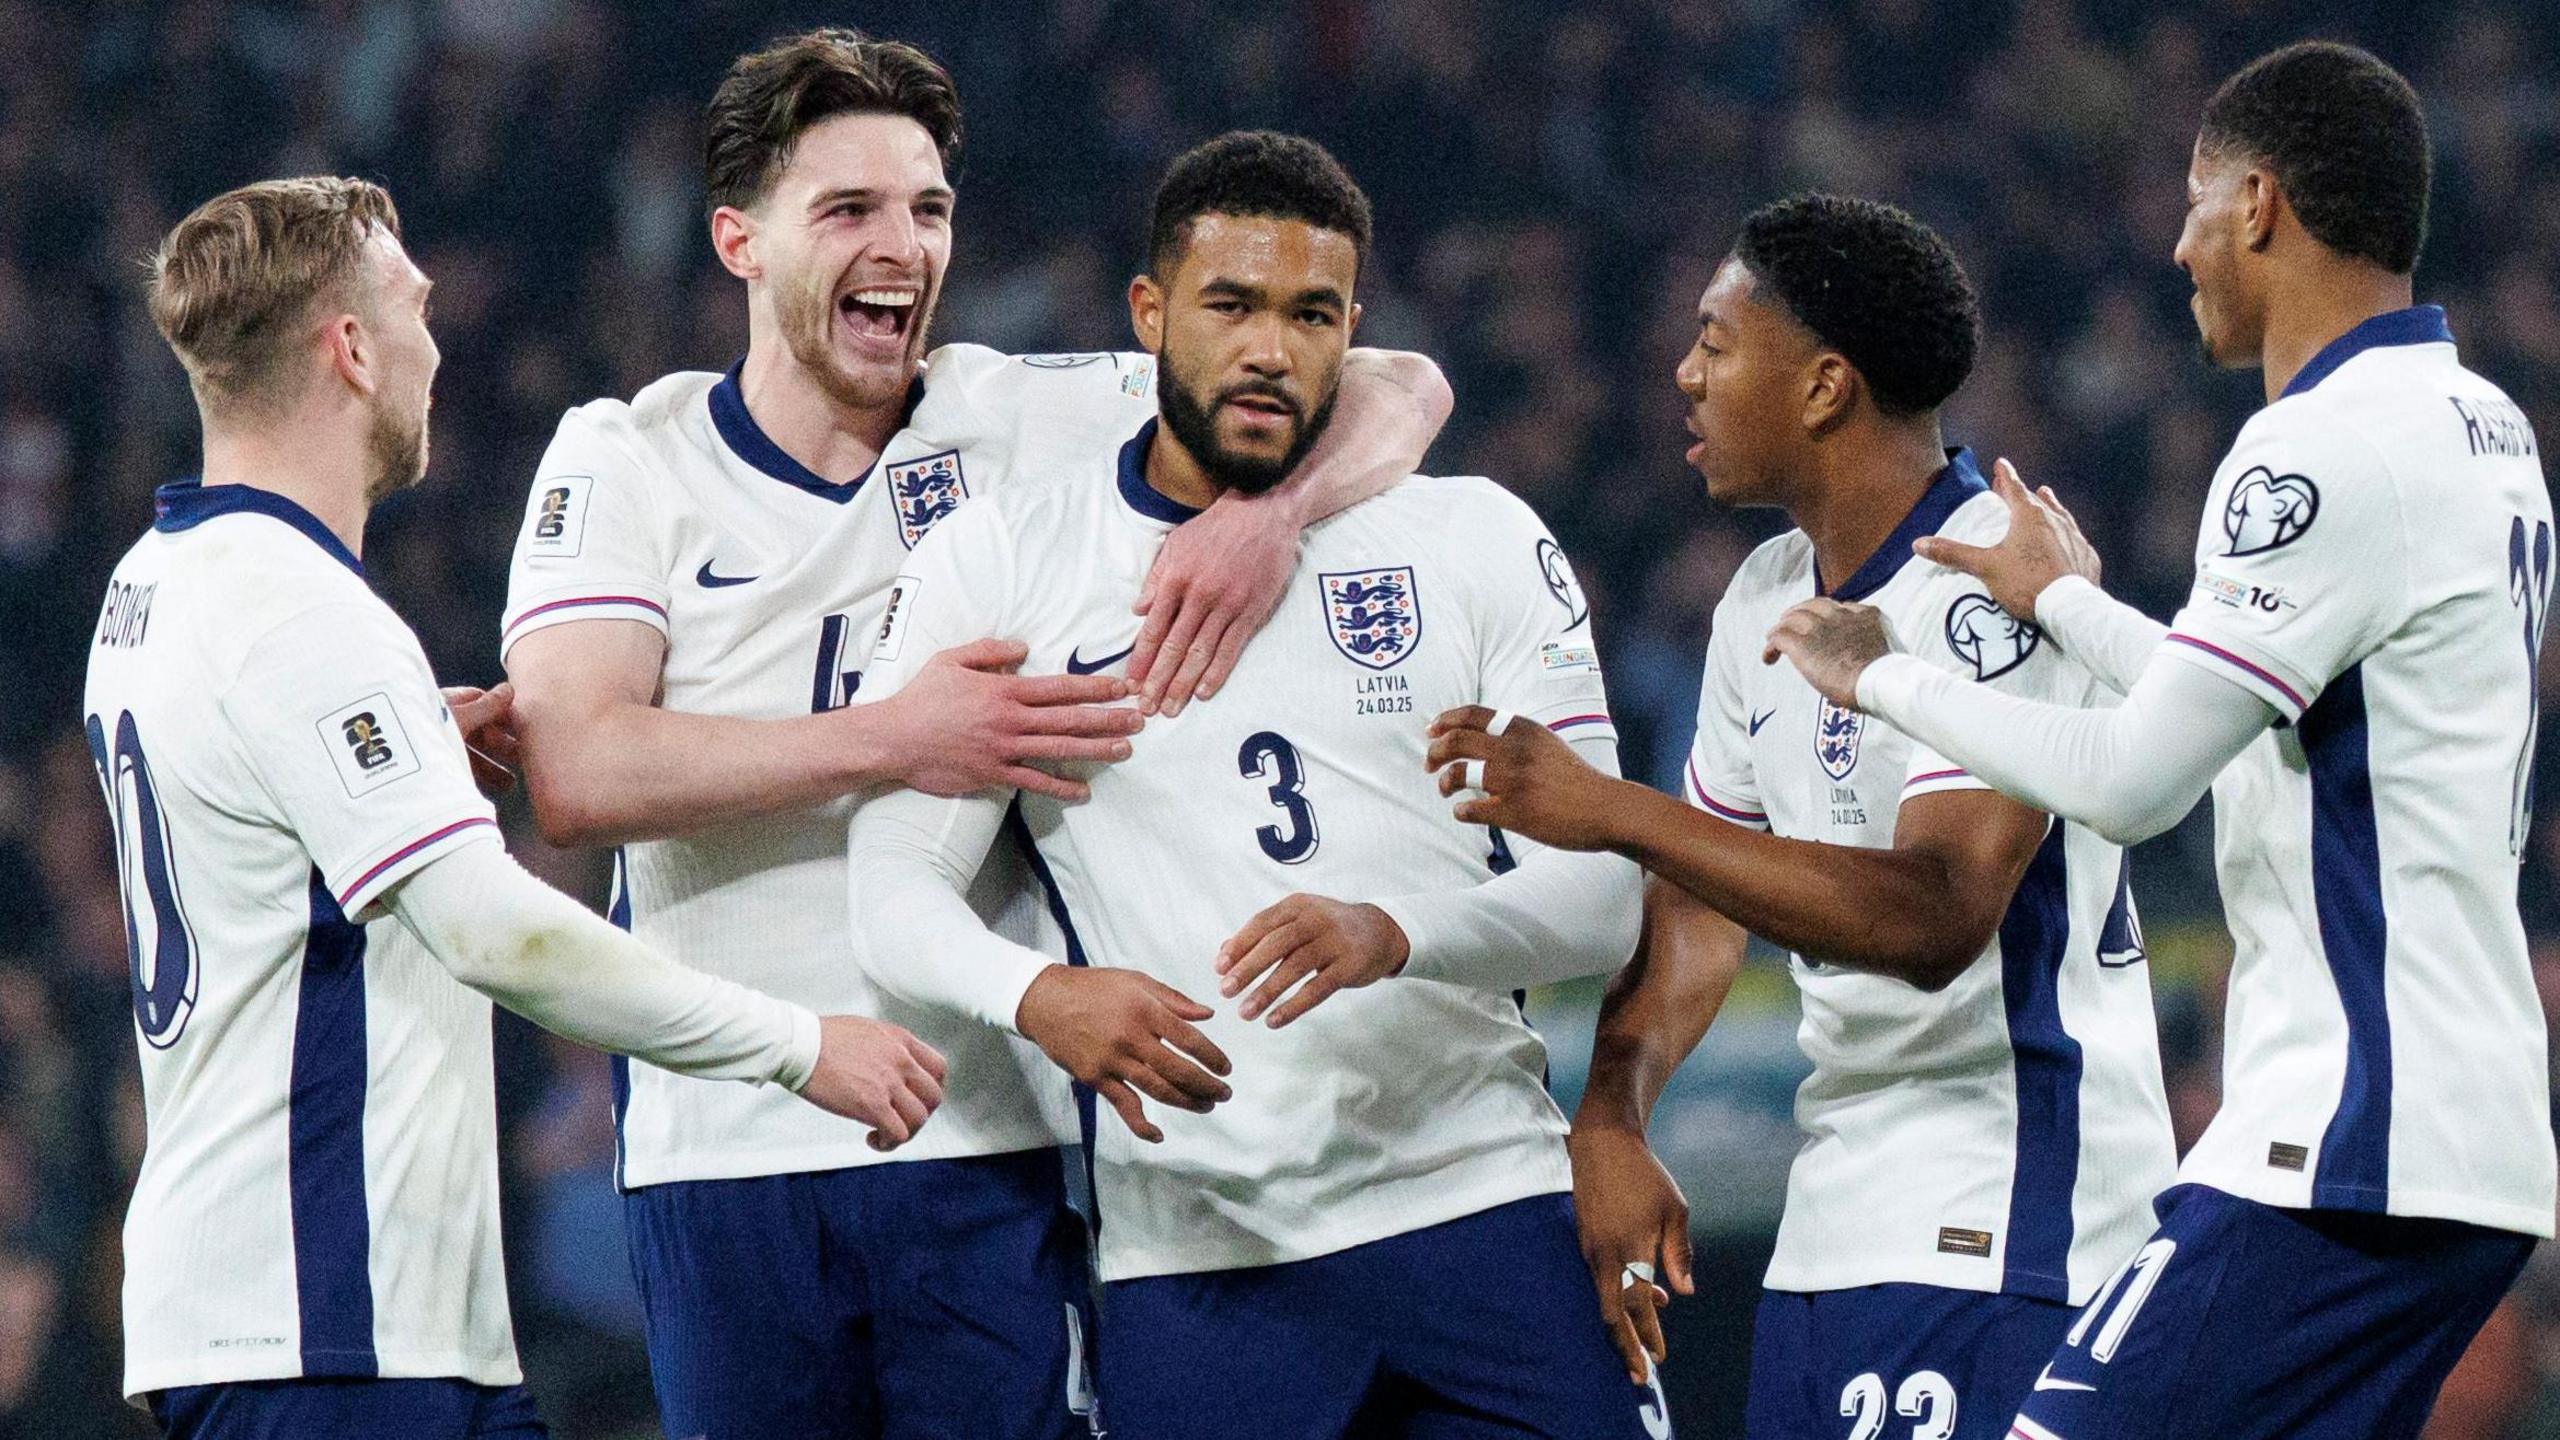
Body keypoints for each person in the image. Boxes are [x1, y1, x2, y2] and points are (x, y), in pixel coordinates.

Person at [499, 31, 1449, 1440]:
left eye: (928, 209)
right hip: (726, 1141)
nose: (905, 246)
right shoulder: (629, 457)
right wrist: (897, 736)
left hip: (981, 1136)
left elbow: (1399, 381)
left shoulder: (1023, 415)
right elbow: (580, 771)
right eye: (849, 211)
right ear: (738, 241)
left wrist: (1271, 514)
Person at [1764, 43, 2554, 1439]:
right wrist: (2062, 600)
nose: (2179, 245)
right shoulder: (2480, 425)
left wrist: (1887, 681)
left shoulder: (2314, 449)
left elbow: (2132, 783)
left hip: (2339, 1148)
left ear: (2259, 203)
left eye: (2195, 203)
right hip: (2462, 1144)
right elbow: (2267, 730)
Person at [88, 177, 945, 1440]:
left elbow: (245, 813)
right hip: (334, 1331)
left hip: (286, 1317)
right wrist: (800, 1046)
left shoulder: (155, 575)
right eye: (414, 308)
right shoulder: (300, 613)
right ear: (351, 348)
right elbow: (498, 932)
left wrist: (410, 750)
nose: (436, 344)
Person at [844, 131, 1657, 1439]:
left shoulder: (1477, 539)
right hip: (1198, 1260)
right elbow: (889, 897)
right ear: (1151, 314)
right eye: (1231, 306)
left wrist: (1399, 934)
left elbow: (1602, 897)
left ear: (1354, 330)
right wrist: (1037, 993)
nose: (1271, 349)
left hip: (1485, 1211)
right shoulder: (1002, 564)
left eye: (1311, 312)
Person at [1429, 195, 2174, 1440]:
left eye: (1718, 344)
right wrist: (1612, 1114)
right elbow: (1702, 909)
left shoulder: (1997, 579)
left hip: (2010, 1229)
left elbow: (1936, 914)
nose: (1685, 372)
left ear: (1825, 385)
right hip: (1832, 1233)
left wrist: (1614, 812)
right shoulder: (1761, 597)